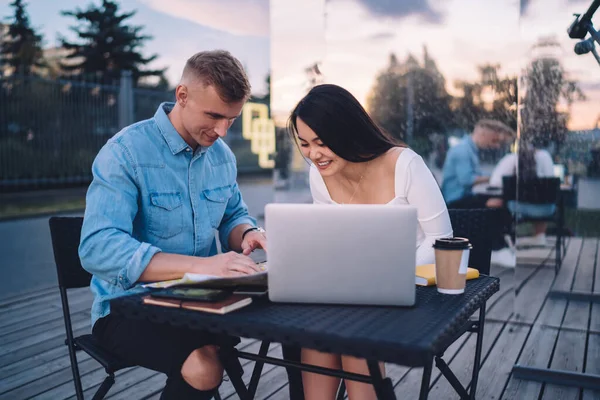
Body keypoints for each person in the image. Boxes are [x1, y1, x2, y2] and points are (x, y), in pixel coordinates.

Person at [79, 50, 267, 400]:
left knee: (282, 331)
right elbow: (97, 248)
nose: (222, 131)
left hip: (199, 303)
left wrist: (249, 234)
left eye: (232, 118)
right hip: (126, 308)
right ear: (182, 95)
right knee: (206, 365)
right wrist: (205, 267)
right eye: (214, 115)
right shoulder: (125, 152)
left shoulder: (222, 157)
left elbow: (232, 216)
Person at [287, 84, 453, 400]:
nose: (314, 154)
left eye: (322, 143)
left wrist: (388, 278)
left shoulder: (404, 164)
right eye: (305, 144)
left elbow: (441, 238)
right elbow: (330, 239)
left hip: (417, 290)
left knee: (349, 331)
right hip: (354, 292)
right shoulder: (319, 174)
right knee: (317, 327)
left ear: (347, 132)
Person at [487, 139, 556, 247]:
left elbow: (495, 182)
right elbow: (550, 182)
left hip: (518, 208)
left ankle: (504, 237)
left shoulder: (510, 159)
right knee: (542, 199)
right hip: (547, 209)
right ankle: (539, 236)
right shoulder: (546, 156)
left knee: (498, 202)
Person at [441, 119, 514, 208]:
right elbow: (466, 180)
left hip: (463, 197)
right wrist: (496, 177)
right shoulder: (462, 150)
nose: (497, 146)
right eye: (494, 141)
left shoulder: (470, 150)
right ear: (483, 135)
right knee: (499, 202)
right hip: (455, 201)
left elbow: (477, 175)